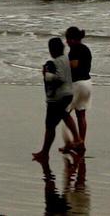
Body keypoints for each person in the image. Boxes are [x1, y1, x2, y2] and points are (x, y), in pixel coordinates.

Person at [31, 39, 71, 164]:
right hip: (68, 94)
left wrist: (47, 75)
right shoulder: (66, 59)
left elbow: (60, 78)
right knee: (57, 121)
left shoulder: (57, 61)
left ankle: (44, 152)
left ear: (53, 50)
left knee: (50, 126)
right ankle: (75, 139)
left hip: (58, 97)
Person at [63, 28, 96, 156]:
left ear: (72, 39)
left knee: (63, 112)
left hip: (77, 84)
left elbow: (74, 66)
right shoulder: (85, 48)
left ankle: (75, 140)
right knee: (81, 115)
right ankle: (81, 143)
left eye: (67, 39)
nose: (66, 42)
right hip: (87, 83)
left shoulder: (75, 50)